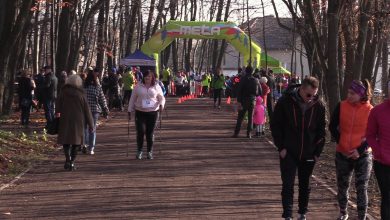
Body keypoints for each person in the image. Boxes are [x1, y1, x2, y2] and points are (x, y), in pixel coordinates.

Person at [270, 76, 326, 220]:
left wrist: (317, 152)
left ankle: (302, 213)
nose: (311, 98)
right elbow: (276, 125)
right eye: (308, 95)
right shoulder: (285, 101)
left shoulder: (319, 105)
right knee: (288, 185)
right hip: (288, 151)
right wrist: (281, 147)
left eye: (314, 95)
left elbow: (321, 130)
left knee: (305, 185)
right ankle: (287, 215)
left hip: (309, 152)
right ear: (301, 89)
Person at [329, 80, 373, 220]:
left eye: (352, 93)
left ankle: (362, 216)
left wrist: (360, 150)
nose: (348, 95)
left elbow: (373, 134)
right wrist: (340, 140)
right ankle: (343, 212)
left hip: (363, 155)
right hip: (343, 153)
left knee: (361, 187)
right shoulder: (341, 106)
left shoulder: (370, 110)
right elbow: (332, 125)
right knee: (342, 186)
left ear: (361, 94)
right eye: (348, 92)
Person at [56, 75, 93, 171]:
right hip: (78, 121)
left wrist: (57, 114)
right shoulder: (81, 94)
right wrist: (91, 124)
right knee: (76, 142)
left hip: (65, 119)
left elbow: (58, 106)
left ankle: (67, 159)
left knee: (66, 141)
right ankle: (72, 162)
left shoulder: (63, 92)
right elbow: (87, 110)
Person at [128, 70, 165, 160]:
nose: (147, 78)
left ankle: (149, 152)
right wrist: (130, 110)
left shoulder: (156, 86)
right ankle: (139, 151)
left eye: (149, 76)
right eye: (146, 76)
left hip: (153, 112)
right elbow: (132, 98)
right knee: (140, 131)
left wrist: (161, 104)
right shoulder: (138, 86)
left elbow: (161, 97)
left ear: (152, 77)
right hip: (140, 112)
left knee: (150, 133)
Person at [366, 80, 390, 220]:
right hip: (383, 163)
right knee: (387, 197)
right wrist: (378, 152)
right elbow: (370, 135)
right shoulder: (377, 111)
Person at [84, 70, 109, 155]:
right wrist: (105, 108)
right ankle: (91, 148)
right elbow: (102, 99)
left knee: (84, 128)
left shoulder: (83, 87)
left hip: (84, 110)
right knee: (92, 129)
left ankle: (85, 143)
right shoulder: (97, 87)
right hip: (94, 110)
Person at [232, 66, 262, 138]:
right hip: (252, 100)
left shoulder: (243, 79)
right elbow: (260, 92)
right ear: (252, 71)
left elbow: (239, 90)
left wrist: (239, 101)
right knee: (250, 117)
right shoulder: (256, 80)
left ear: (246, 71)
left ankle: (236, 133)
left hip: (243, 100)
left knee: (240, 117)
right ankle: (249, 133)